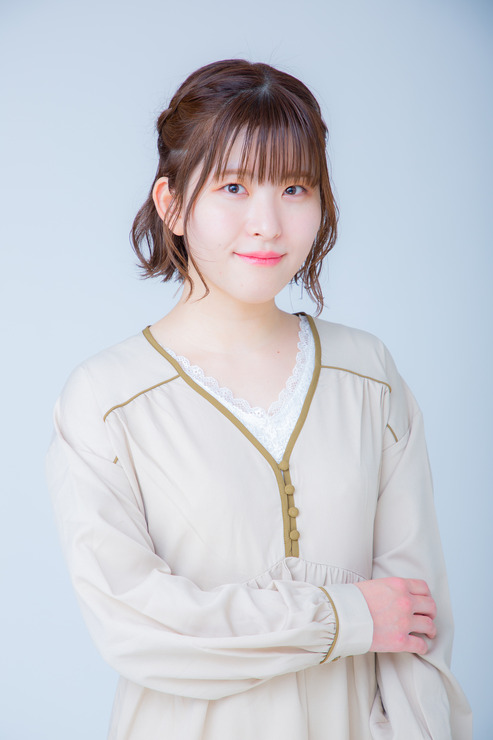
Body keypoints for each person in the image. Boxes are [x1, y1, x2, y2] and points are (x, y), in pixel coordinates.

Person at [46, 59, 472, 740]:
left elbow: (416, 625)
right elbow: (139, 626)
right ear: (172, 205)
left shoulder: (368, 375)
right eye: (234, 186)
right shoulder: (107, 399)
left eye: (294, 187)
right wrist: (345, 617)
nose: (268, 223)